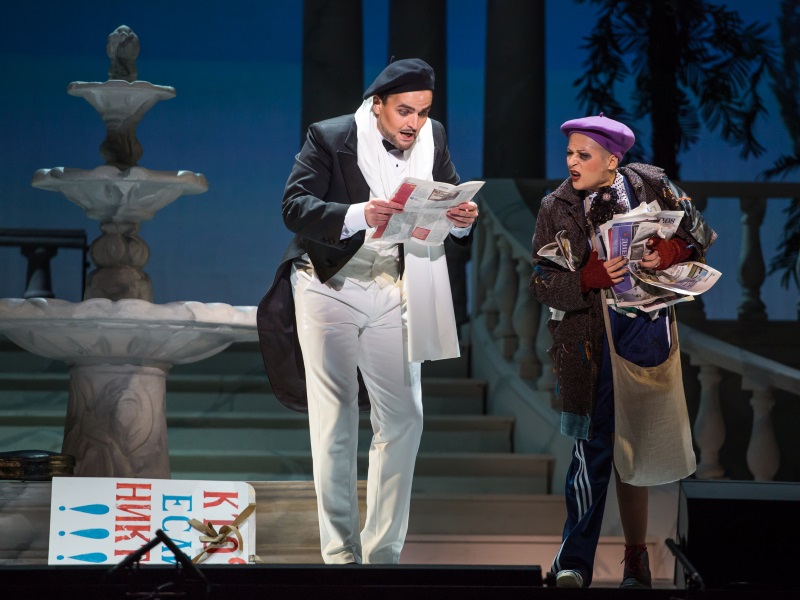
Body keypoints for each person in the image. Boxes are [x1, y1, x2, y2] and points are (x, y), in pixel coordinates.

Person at [256, 58, 478, 565]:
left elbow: (446, 197)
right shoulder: (331, 137)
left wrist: (462, 218)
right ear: (376, 104)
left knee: (404, 419)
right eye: (404, 111)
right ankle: (341, 555)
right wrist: (359, 214)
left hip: (393, 285)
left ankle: (383, 555)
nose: (414, 123)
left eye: (423, 112)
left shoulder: (434, 138)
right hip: (328, 283)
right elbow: (294, 205)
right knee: (334, 420)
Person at [529, 114, 716, 588]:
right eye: (569, 153)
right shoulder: (557, 206)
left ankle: (637, 562)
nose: (572, 162)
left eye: (583, 154)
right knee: (591, 452)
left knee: (638, 453)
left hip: (645, 335)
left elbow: (699, 233)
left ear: (612, 160)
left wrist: (671, 252)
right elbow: (541, 281)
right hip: (589, 345)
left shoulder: (650, 182)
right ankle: (574, 563)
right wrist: (584, 279)